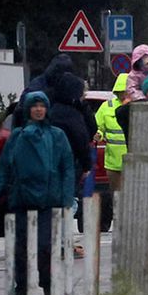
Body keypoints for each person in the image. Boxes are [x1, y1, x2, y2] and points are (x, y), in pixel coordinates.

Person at [0, 91, 76, 295]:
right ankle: (23, 293)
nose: (38, 109)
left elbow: (67, 168)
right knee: (21, 251)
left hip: (49, 201)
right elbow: (4, 169)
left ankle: (48, 288)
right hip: (22, 201)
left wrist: (66, 198)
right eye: (34, 106)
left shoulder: (57, 136)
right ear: (28, 109)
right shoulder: (17, 137)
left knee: (46, 248)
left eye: (42, 105)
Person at [47, 70, 93, 256]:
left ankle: (55, 241)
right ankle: (64, 242)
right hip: (68, 165)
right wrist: (87, 165)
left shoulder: (52, 109)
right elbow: (82, 139)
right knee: (68, 202)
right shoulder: (71, 114)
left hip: (49, 164)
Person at [94, 73, 129, 230]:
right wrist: (98, 135)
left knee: (130, 195)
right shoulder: (106, 107)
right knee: (116, 195)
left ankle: (127, 222)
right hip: (113, 161)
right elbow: (99, 127)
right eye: (122, 91)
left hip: (132, 160)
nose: (124, 94)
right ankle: (118, 221)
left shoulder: (135, 105)